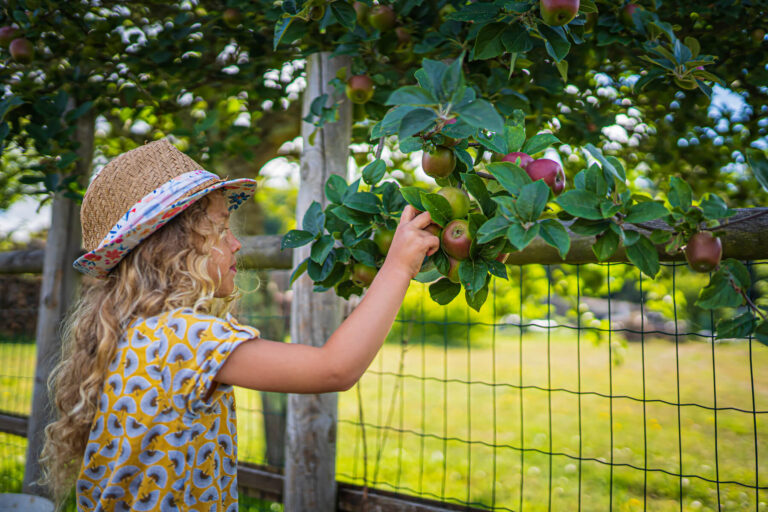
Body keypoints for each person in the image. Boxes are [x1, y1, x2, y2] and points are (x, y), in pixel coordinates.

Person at [40, 139, 439, 511]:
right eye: (220, 228)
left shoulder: (132, 332)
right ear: (174, 247)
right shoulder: (184, 336)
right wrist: (398, 266)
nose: (236, 243)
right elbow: (335, 368)